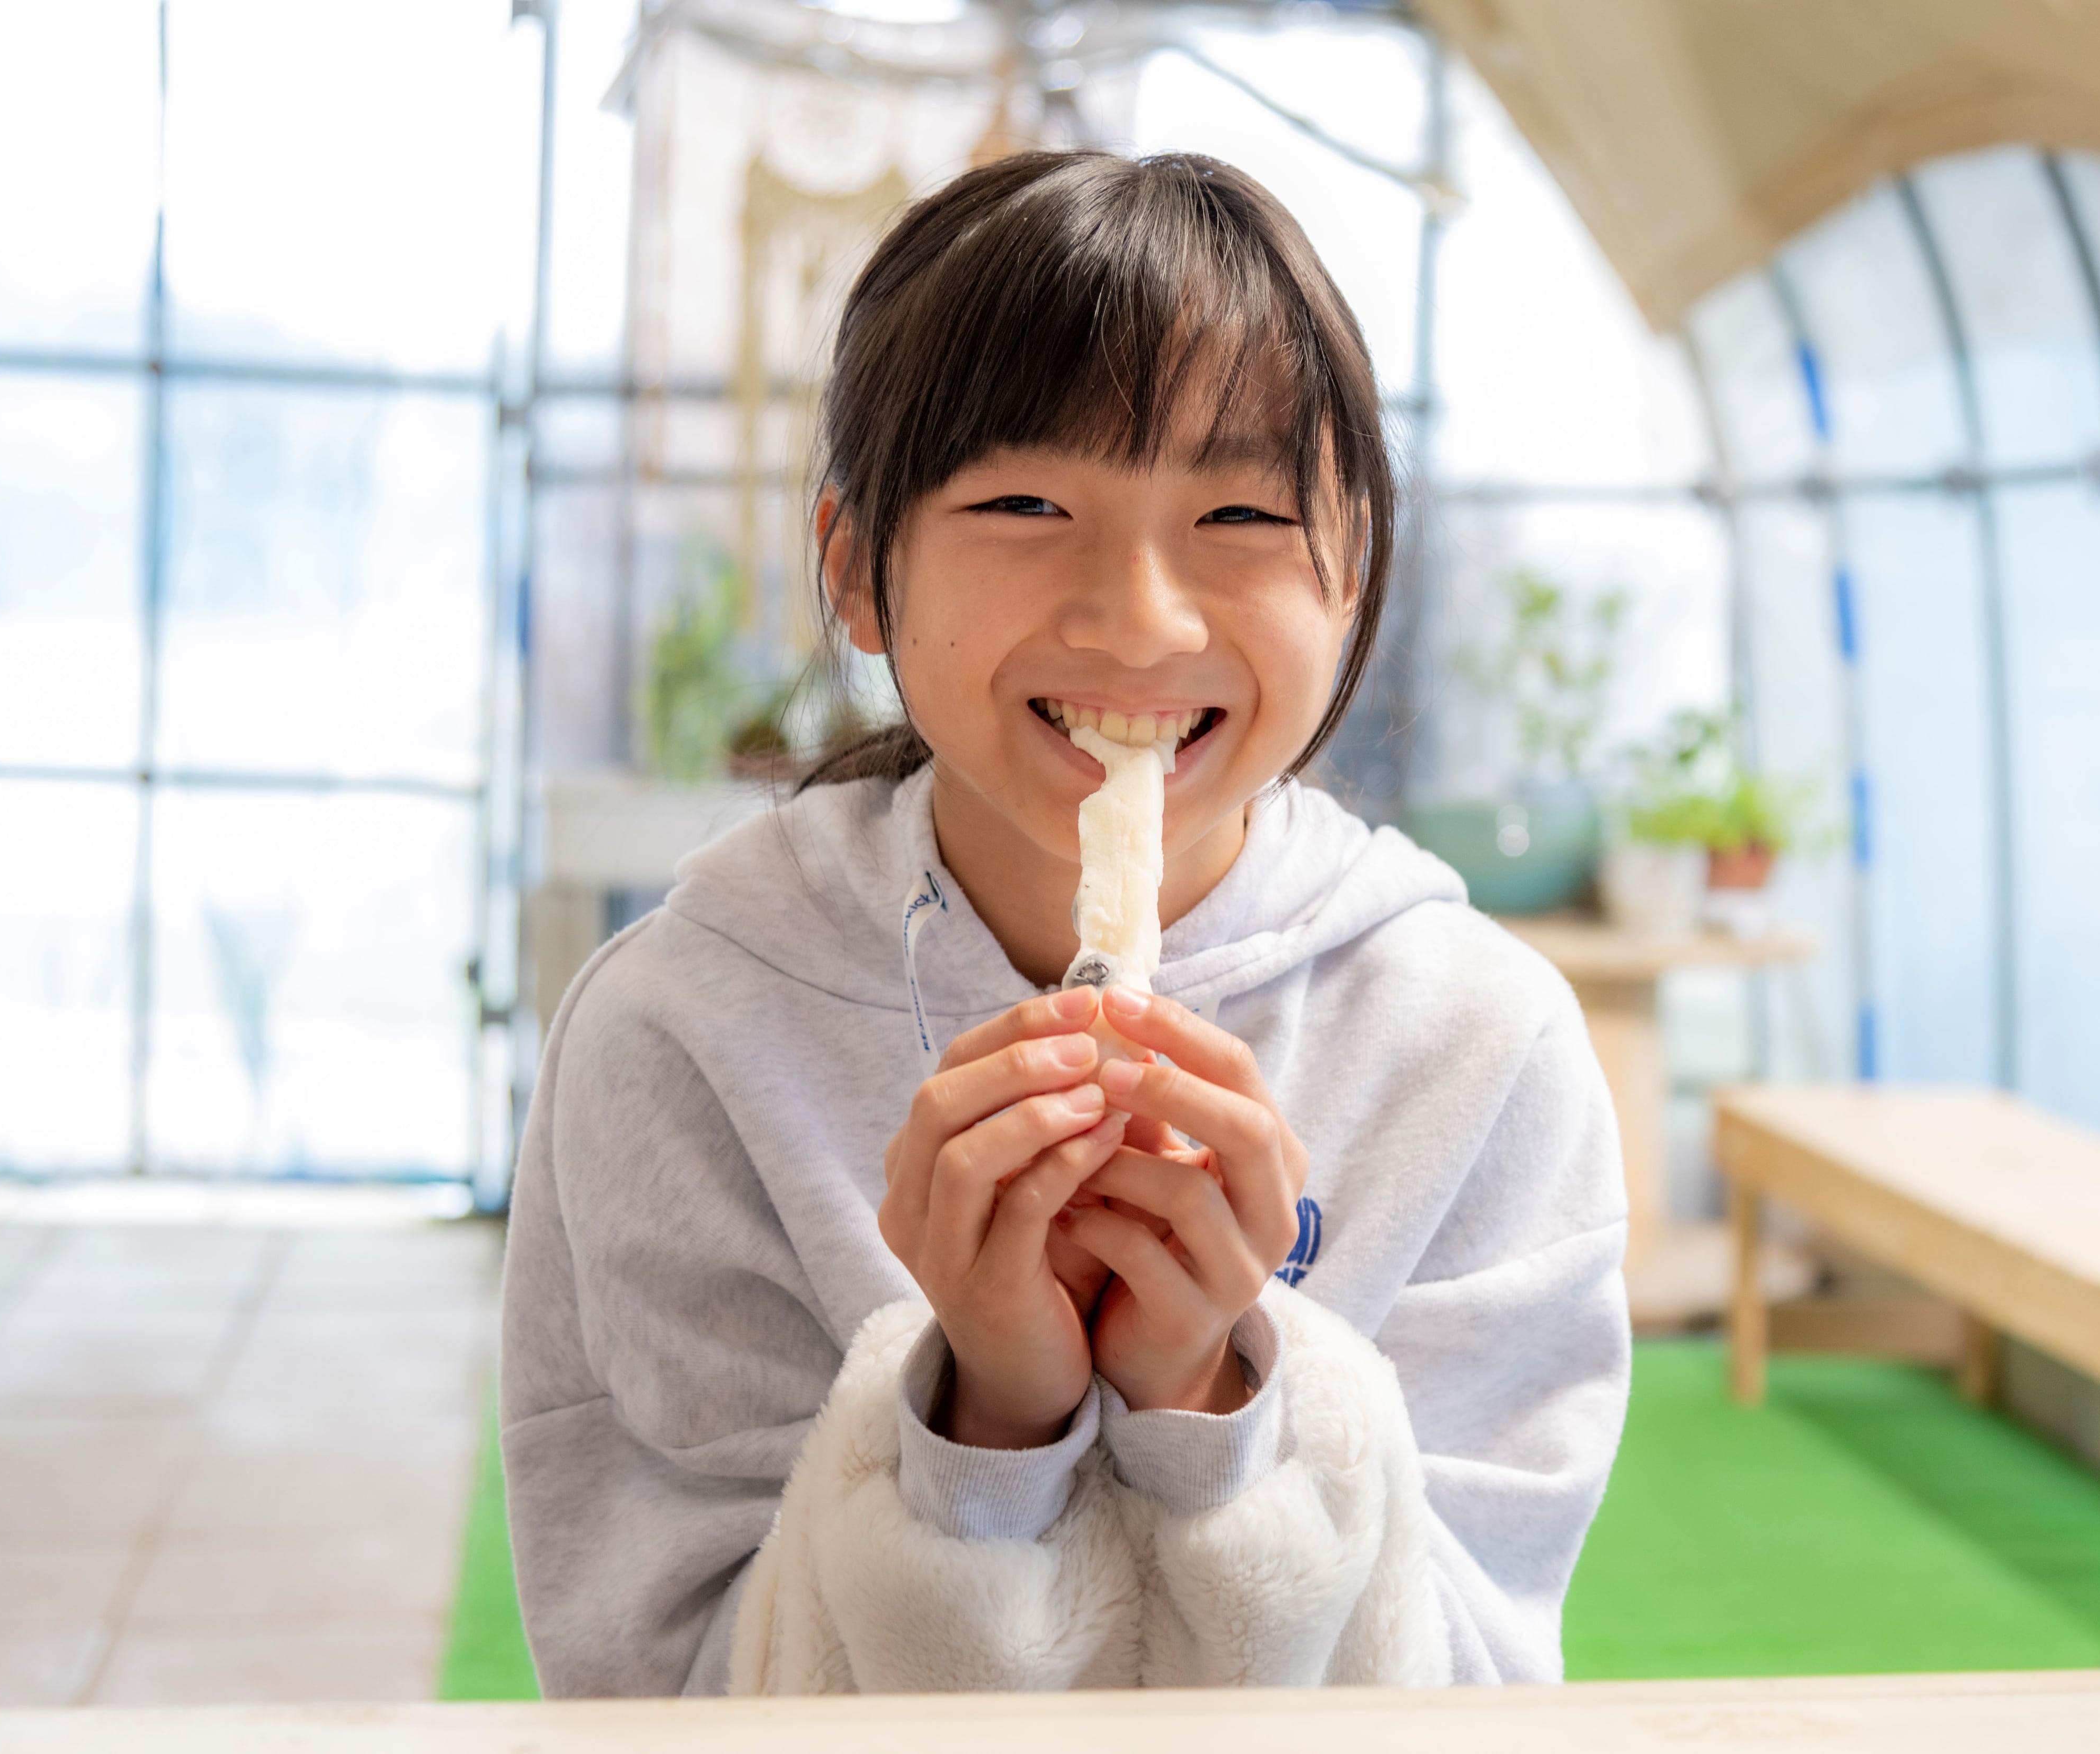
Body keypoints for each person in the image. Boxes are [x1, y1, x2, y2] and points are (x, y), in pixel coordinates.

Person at [500, 149, 1630, 1697]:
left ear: (1353, 569)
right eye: (1027, 501)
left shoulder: (1473, 1042)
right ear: (857, 566)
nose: (1141, 619)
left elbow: (1485, 1692)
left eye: (1239, 510)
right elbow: (663, 1696)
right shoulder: (687, 1030)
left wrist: (1216, 1401)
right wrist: (983, 1423)